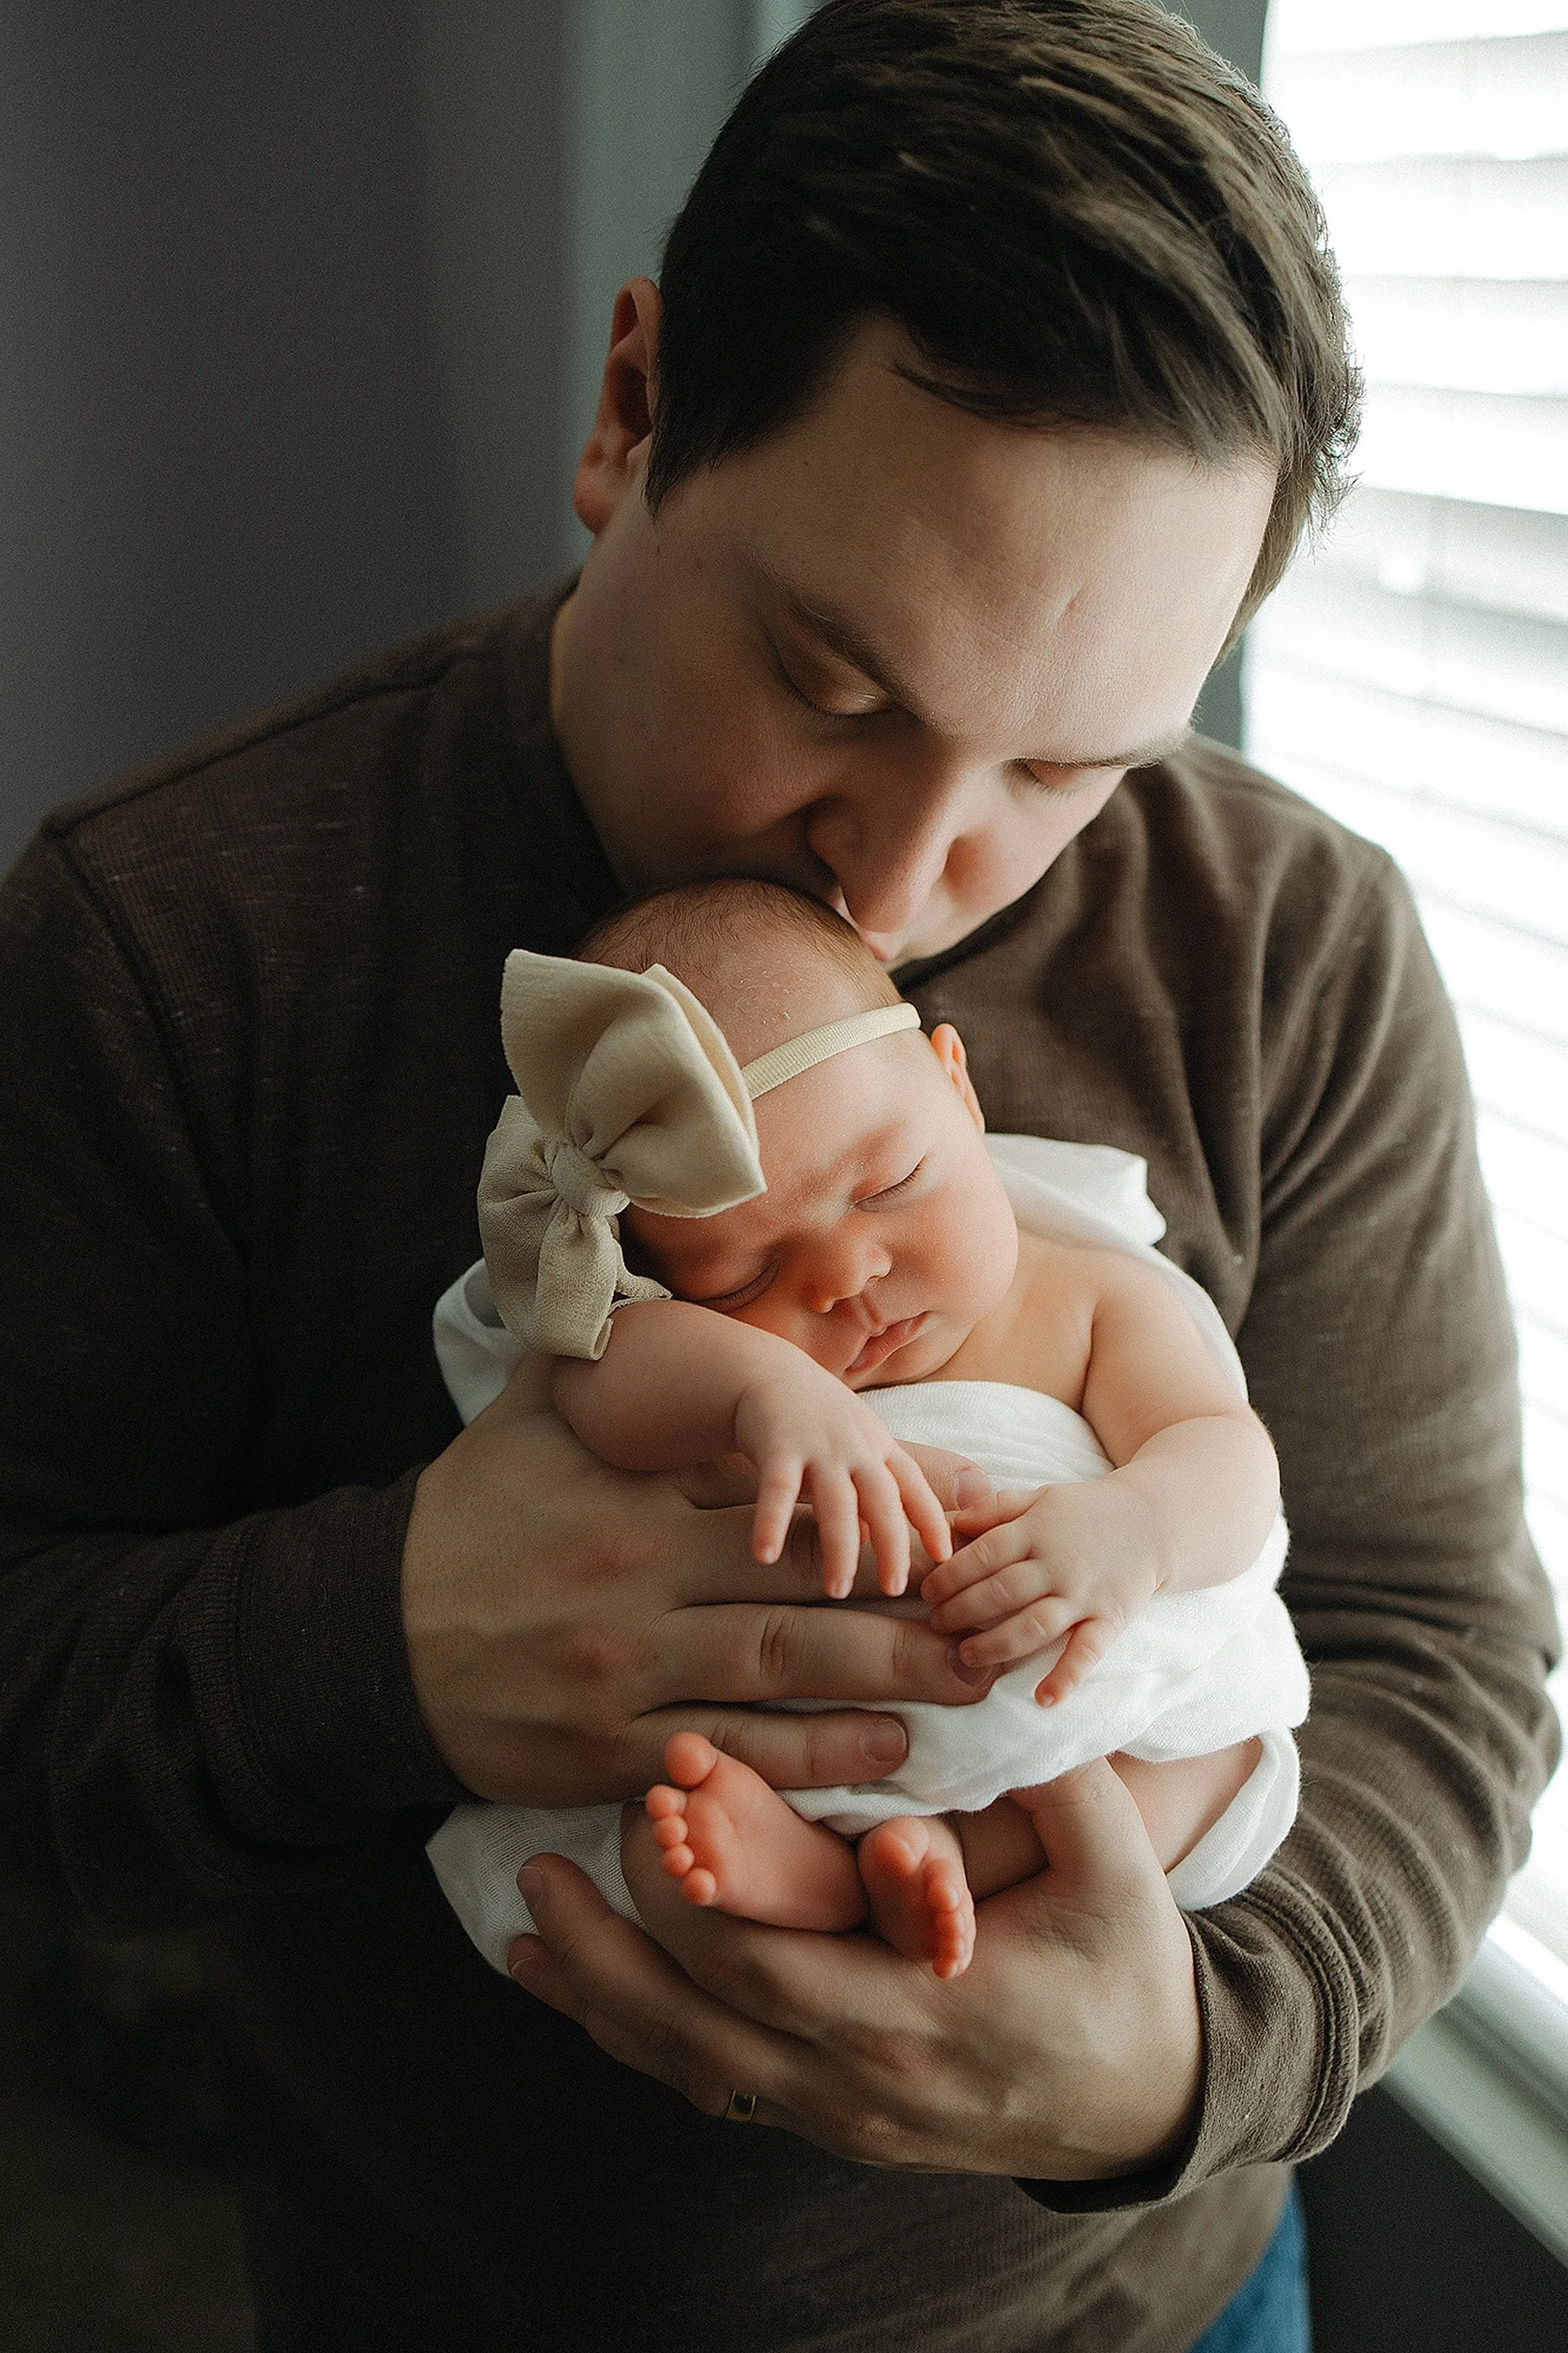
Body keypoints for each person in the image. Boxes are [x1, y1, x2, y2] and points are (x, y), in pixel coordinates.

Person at [0, 2, 1555, 2348]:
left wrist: (1175, 2064)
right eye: (841, 684)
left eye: (1071, 768)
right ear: (634, 409)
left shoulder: (1291, 952)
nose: (925, 866)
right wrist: (390, 1646)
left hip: (1149, 2305)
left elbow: (1442, 1651)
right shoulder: (172, 942)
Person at [426, 878, 1305, 1985]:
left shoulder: (1086, 1298)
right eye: (747, 1272)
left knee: (1221, 1764)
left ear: (959, 1092)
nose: (846, 1276)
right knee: (668, 1824)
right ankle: (833, 1870)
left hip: (1088, 1712)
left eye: (888, 1185)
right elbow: (593, 1379)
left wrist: (1137, 1526)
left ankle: (928, 1863)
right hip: (808, 1740)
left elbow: (1225, 1454)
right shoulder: (702, 1356)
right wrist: (756, 1389)